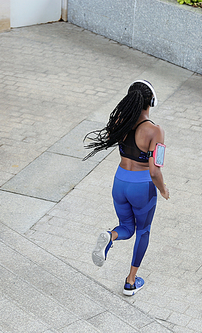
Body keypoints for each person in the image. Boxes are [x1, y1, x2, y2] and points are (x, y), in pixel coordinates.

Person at [83, 80, 169, 296]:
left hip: (120, 181)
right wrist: (162, 189)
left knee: (126, 228)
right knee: (143, 231)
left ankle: (110, 236)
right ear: (150, 103)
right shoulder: (154, 131)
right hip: (142, 187)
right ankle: (131, 281)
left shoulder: (120, 122)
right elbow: (155, 171)